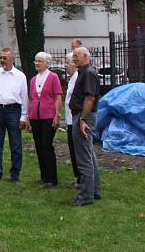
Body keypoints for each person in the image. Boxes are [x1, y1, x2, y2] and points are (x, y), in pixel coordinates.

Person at [0, 47, 29, 182]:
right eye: (1, 57)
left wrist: (24, 116)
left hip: (14, 110)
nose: (2, 60)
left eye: (5, 58)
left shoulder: (20, 76)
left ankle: (15, 174)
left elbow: (24, 97)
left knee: (15, 143)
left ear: (12, 59)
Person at [70, 47, 102, 206]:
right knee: (89, 155)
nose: (73, 58)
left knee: (84, 158)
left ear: (85, 56)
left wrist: (82, 119)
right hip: (83, 117)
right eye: (73, 56)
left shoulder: (88, 73)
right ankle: (94, 191)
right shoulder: (85, 72)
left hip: (83, 118)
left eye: (76, 56)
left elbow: (90, 98)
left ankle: (86, 195)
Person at [28, 51, 62, 188]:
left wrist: (57, 114)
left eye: (39, 61)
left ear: (47, 63)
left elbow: (58, 96)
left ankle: (52, 178)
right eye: (35, 60)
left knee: (46, 145)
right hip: (35, 115)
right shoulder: (33, 79)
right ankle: (43, 176)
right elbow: (31, 99)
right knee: (38, 146)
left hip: (48, 115)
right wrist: (29, 119)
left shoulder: (53, 77)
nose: (36, 63)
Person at [63, 52, 82, 188]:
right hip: (70, 120)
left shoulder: (77, 78)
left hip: (75, 120)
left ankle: (81, 178)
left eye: (67, 62)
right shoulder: (72, 79)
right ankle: (78, 177)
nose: (65, 66)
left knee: (77, 150)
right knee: (73, 149)